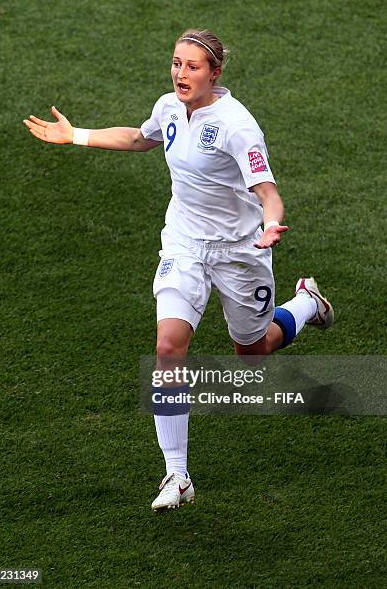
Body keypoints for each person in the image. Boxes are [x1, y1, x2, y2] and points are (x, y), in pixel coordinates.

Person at [23, 28, 334, 513]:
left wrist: (272, 223)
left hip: (240, 252)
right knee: (168, 345)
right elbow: (139, 138)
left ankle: (305, 305)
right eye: (175, 63)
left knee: (251, 356)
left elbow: (267, 189)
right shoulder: (168, 106)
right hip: (185, 243)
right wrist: (76, 135)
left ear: (215, 72)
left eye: (192, 66)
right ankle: (177, 473)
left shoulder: (237, 125)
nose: (180, 74)